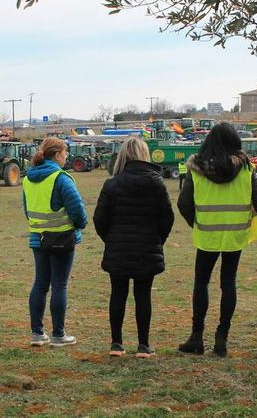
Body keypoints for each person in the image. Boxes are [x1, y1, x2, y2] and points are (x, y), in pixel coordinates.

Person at [177, 122, 257, 357]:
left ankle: (197, 336)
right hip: (235, 235)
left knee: (201, 283)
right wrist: (246, 214)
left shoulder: (195, 169)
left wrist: (197, 222)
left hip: (206, 235)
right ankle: (221, 338)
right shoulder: (246, 168)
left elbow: (184, 203)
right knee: (228, 283)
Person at [94, 137, 174, 358]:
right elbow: (167, 218)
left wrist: (111, 240)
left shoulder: (112, 184)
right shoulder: (157, 183)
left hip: (118, 247)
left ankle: (116, 343)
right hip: (147, 248)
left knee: (117, 294)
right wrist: (157, 240)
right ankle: (143, 345)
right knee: (143, 295)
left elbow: (99, 219)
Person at [23, 137, 87, 347]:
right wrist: (79, 225)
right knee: (59, 285)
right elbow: (77, 210)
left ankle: (37, 333)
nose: (67, 156)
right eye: (65, 153)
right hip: (62, 238)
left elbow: (27, 210)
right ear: (57, 155)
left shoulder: (27, 179)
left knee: (40, 284)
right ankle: (59, 334)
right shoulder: (61, 178)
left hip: (38, 238)